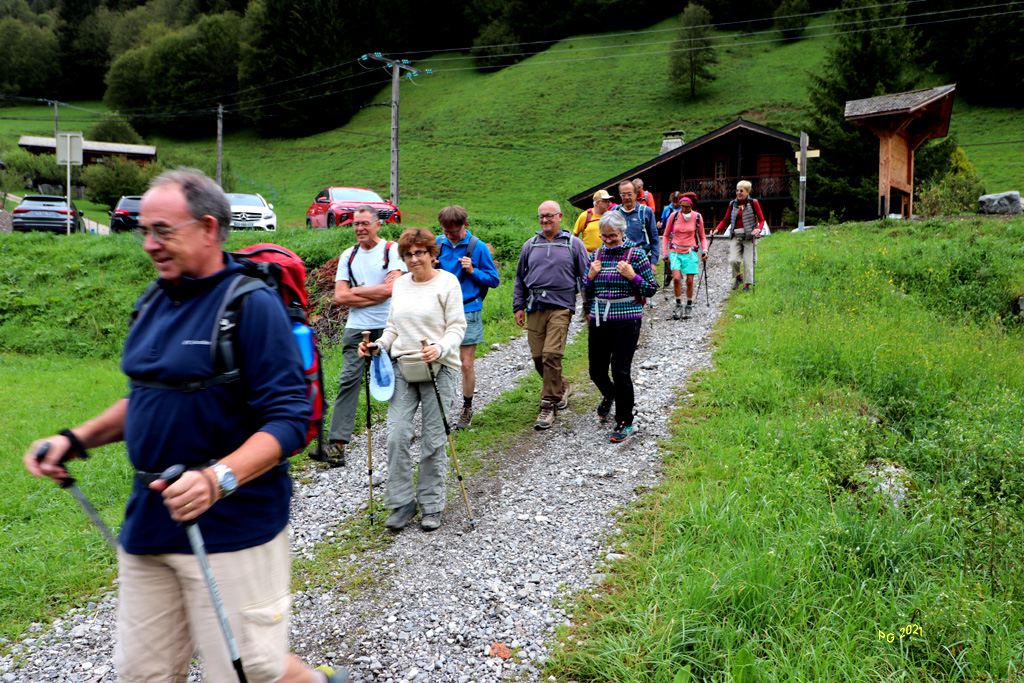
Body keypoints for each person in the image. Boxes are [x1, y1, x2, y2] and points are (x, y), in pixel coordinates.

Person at [23, 168, 347, 683]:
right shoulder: (154, 300)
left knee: (250, 672)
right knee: (142, 674)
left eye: (163, 230)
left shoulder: (249, 305)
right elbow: (144, 399)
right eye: (143, 230)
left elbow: (288, 419)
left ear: (209, 228)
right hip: (149, 524)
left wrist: (217, 479)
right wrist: (73, 439)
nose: (149, 243)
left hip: (234, 526)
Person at [360, 228, 466, 532]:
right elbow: (392, 327)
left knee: (433, 440)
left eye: (420, 252)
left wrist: (439, 347)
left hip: (439, 368)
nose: (414, 258)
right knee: (396, 435)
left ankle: (432, 505)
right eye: (408, 254)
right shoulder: (402, 285)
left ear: (433, 254)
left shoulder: (448, 282)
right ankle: (402, 503)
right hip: (403, 367)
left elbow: (457, 327)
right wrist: (378, 345)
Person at [316, 206, 404, 467]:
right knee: (348, 381)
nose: (359, 228)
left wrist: (359, 293)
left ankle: (400, 432)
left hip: (390, 325)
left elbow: (393, 290)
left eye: (365, 223)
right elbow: (340, 296)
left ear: (378, 225)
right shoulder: (348, 255)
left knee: (398, 378)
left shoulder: (392, 250)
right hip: (356, 328)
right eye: (355, 224)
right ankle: (337, 445)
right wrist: (376, 292)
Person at [512, 200, 590, 430]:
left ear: (560, 217)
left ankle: (548, 404)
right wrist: (518, 306)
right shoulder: (530, 245)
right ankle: (562, 385)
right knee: (538, 357)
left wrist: (589, 307)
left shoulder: (573, 244)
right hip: (535, 306)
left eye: (549, 216)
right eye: (541, 216)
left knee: (552, 354)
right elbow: (520, 278)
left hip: (562, 306)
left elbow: (586, 278)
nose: (545, 220)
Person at [584, 211, 658, 442]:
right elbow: (587, 290)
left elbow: (651, 288)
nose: (607, 240)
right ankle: (611, 395)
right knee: (596, 370)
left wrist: (633, 277)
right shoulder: (596, 255)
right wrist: (590, 277)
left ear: (622, 232)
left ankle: (624, 421)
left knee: (620, 371)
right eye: (604, 236)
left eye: (612, 236)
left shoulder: (636, 255)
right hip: (599, 318)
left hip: (627, 318)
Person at [436, 205, 501, 431]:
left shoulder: (478, 247)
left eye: (453, 231)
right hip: (440, 312)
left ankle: (467, 407)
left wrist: (473, 271)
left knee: (465, 364)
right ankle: (440, 409)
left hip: (468, 310)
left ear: (466, 225)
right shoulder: (436, 245)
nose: (449, 236)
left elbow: (494, 280)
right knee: (439, 362)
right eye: (446, 231)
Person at [661, 193, 708, 320]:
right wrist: (665, 252)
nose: (683, 209)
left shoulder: (697, 217)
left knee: (689, 280)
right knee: (676, 278)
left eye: (686, 207)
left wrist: (705, 250)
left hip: (690, 251)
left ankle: (688, 305)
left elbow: (702, 236)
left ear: (691, 206)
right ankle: (678, 304)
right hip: (675, 250)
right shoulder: (674, 216)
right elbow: (665, 235)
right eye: (681, 206)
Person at [714, 180, 765, 291]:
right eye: (737, 190)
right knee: (733, 260)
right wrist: (717, 230)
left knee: (748, 262)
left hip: (749, 237)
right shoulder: (733, 204)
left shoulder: (753, 203)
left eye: (741, 191)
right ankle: (739, 277)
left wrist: (758, 229)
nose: (738, 193)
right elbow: (725, 220)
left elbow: (761, 220)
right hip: (735, 236)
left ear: (747, 192)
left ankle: (746, 285)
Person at [613, 180, 660, 276]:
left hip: (641, 260)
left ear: (635, 194)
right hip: (619, 261)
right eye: (623, 194)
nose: (626, 197)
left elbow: (654, 239)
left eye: (629, 194)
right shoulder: (614, 212)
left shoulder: (646, 211)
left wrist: (653, 263)